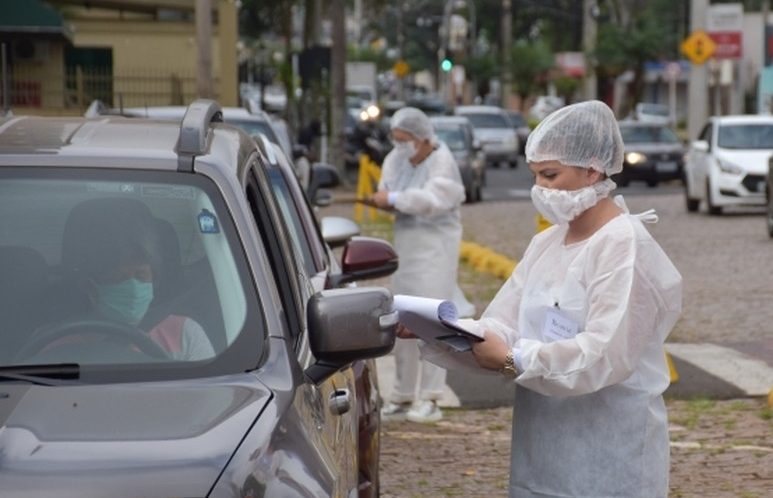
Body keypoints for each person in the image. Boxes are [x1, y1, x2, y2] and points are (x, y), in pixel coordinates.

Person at [409, 100, 682, 496]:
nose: (542, 189)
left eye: (551, 175)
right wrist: (435, 329)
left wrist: (513, 359)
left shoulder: (624, 245)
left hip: (609, 452)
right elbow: (504, 320)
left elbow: (604, 354)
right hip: (543, 449)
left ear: (592, 168)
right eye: (536, 176)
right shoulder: (548, 242)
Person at [367, 106, 468, 423]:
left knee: (433, 322)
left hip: (436, 249)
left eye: (406, 140)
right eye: (396, 140)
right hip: (406, 251)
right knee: (404, 320)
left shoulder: (442, 160)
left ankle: (431, 397)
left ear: (423, 138)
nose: (400, 146)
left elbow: (434, 200)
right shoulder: (395, 158)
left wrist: (394, 199)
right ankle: (402, 394)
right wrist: (387, 198)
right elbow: (386, 187)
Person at [50, 199, 215, 361]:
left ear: (154, 277)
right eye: (119, 278)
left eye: (141, 276)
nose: (134, 289)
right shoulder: (54, 342)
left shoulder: (184, 334)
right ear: (90, 286)